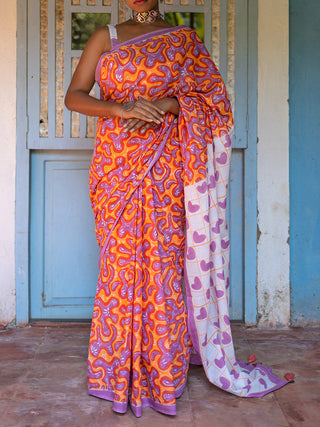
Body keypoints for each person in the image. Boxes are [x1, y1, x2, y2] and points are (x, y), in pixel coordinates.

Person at [65, 0, 289, 418]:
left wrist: (169, 104)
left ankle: (162, 372)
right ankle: (114, 372)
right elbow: (74, 97)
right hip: (116, 167)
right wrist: (119, 108)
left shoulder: (184, 41)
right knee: (120, 263)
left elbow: (214, 100)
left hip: (168, 164)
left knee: (163, 261)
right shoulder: (105, 37)